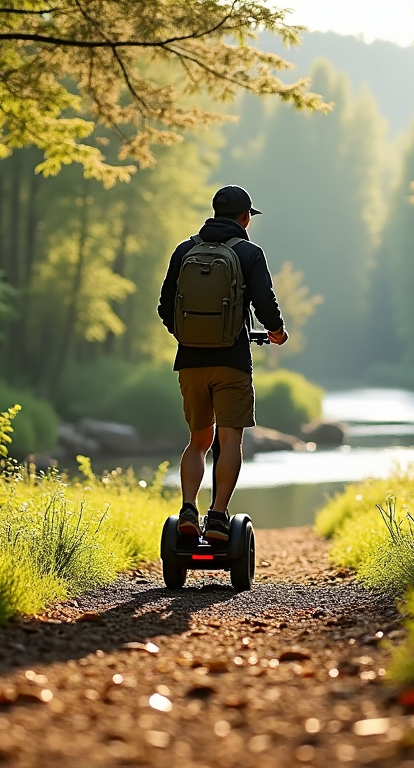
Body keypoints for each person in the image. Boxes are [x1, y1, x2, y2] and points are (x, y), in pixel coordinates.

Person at [157, 185, 287, 542]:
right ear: (245, 217)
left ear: (215, 213)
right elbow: (264, 300)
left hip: (190, 361)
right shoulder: (249, 252)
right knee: (230, 440)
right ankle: (216, 517)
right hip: (232, 361)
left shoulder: (185, 249)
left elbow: (165, 306)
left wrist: (187, 337)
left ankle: (187, 509)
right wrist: (276, 331)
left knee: (198, 440)